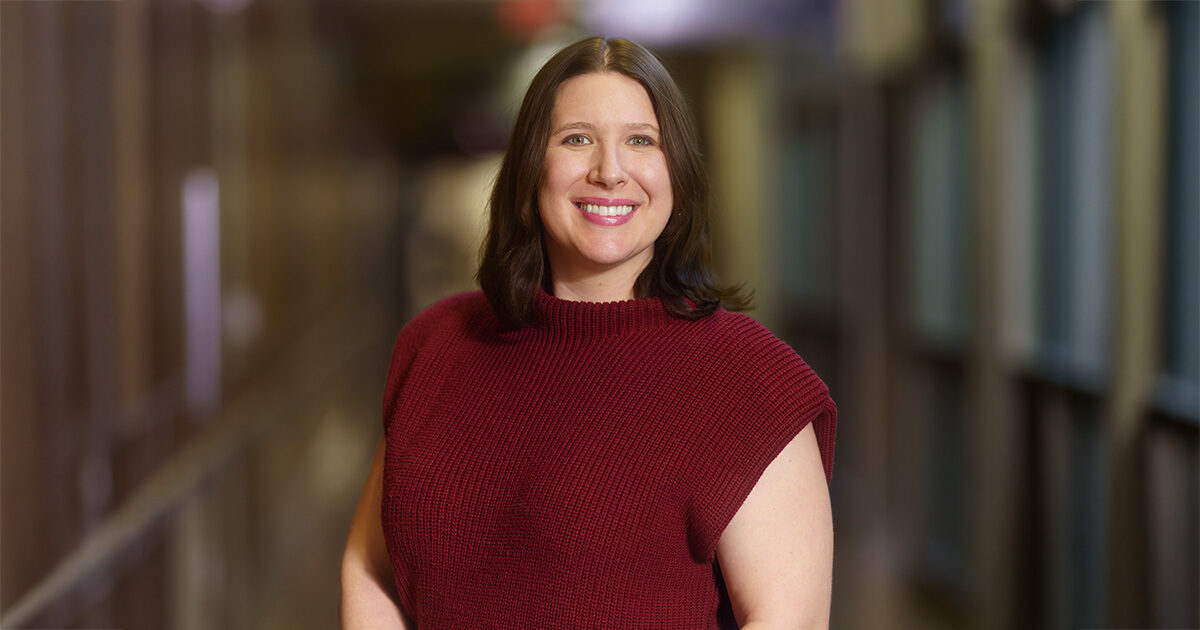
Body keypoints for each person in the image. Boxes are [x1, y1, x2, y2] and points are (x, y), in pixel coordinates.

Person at [341, 36, 836, 629]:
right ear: (530, 169)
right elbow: (369, 568)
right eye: (577, 138)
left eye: (641, 141)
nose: (609, 171)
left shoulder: (753, 383)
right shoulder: (435, 345)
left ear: (675, 173)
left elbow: (787, 620)